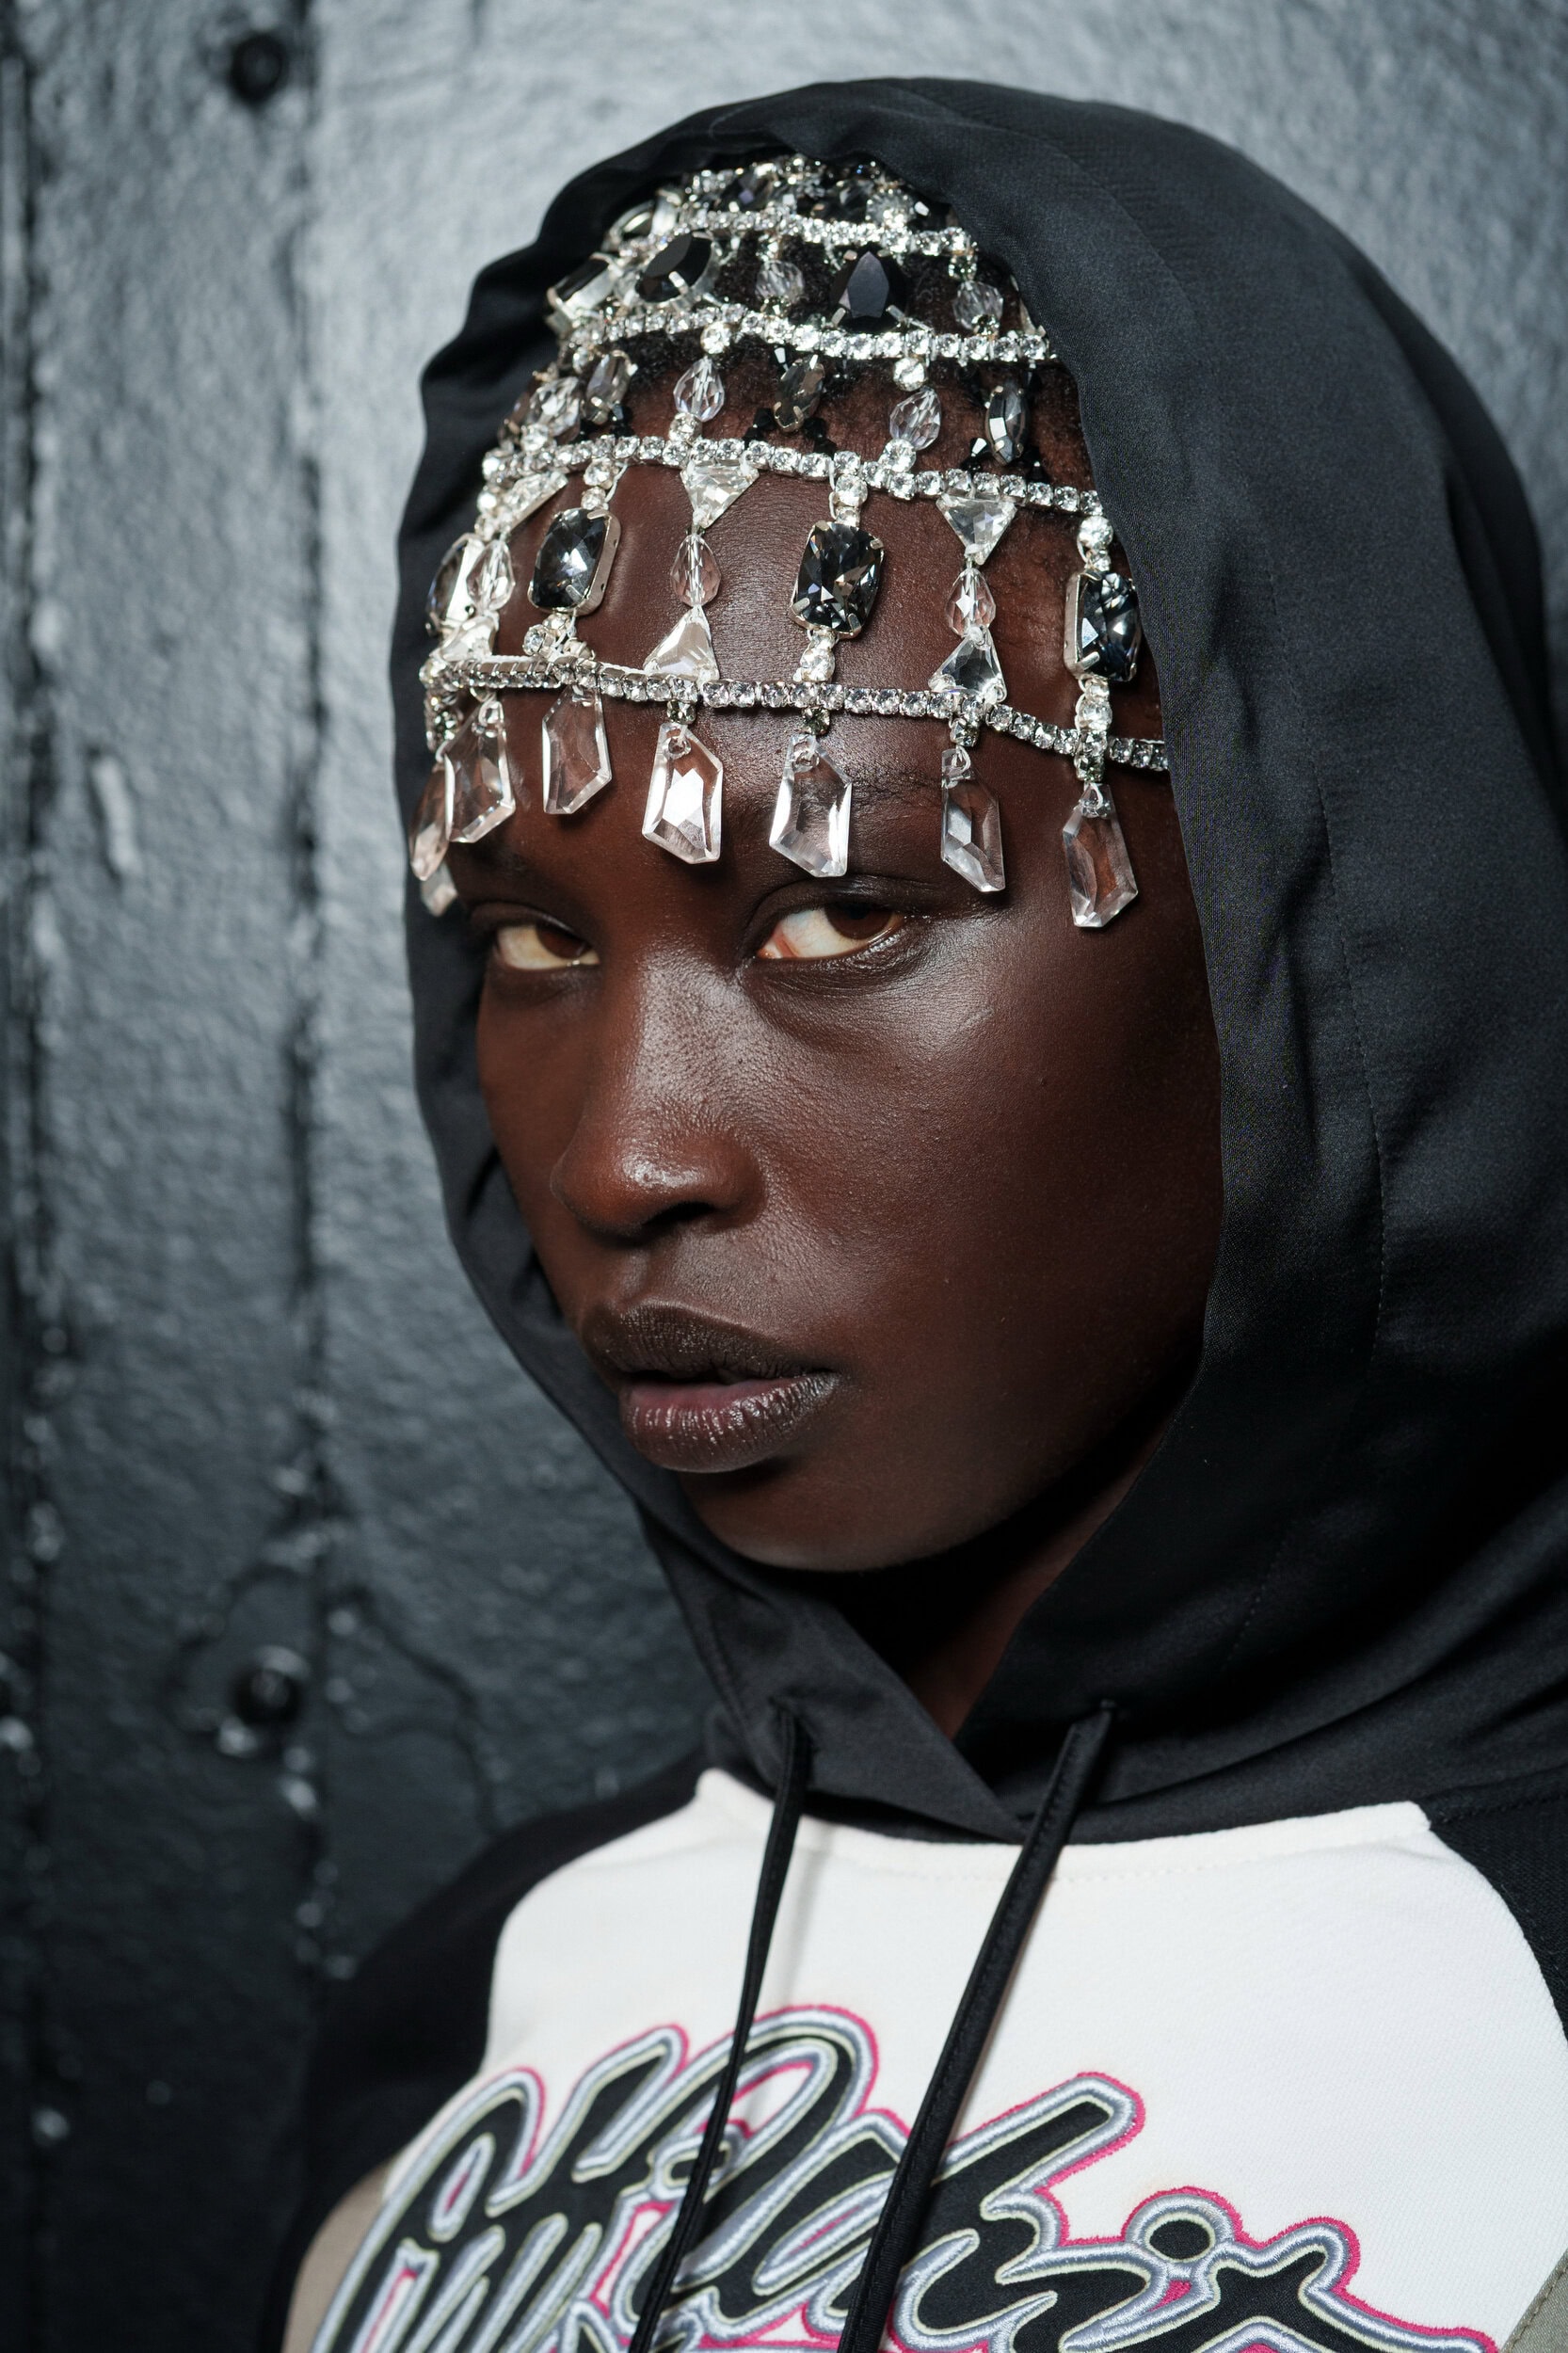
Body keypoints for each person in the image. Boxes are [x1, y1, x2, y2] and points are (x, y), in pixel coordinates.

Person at [264, 81, 1568, 2353]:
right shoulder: (472, 2022)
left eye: (839, 913)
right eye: (530, 936)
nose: (622, 1159)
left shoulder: (1515, 2016)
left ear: (1325, 917)